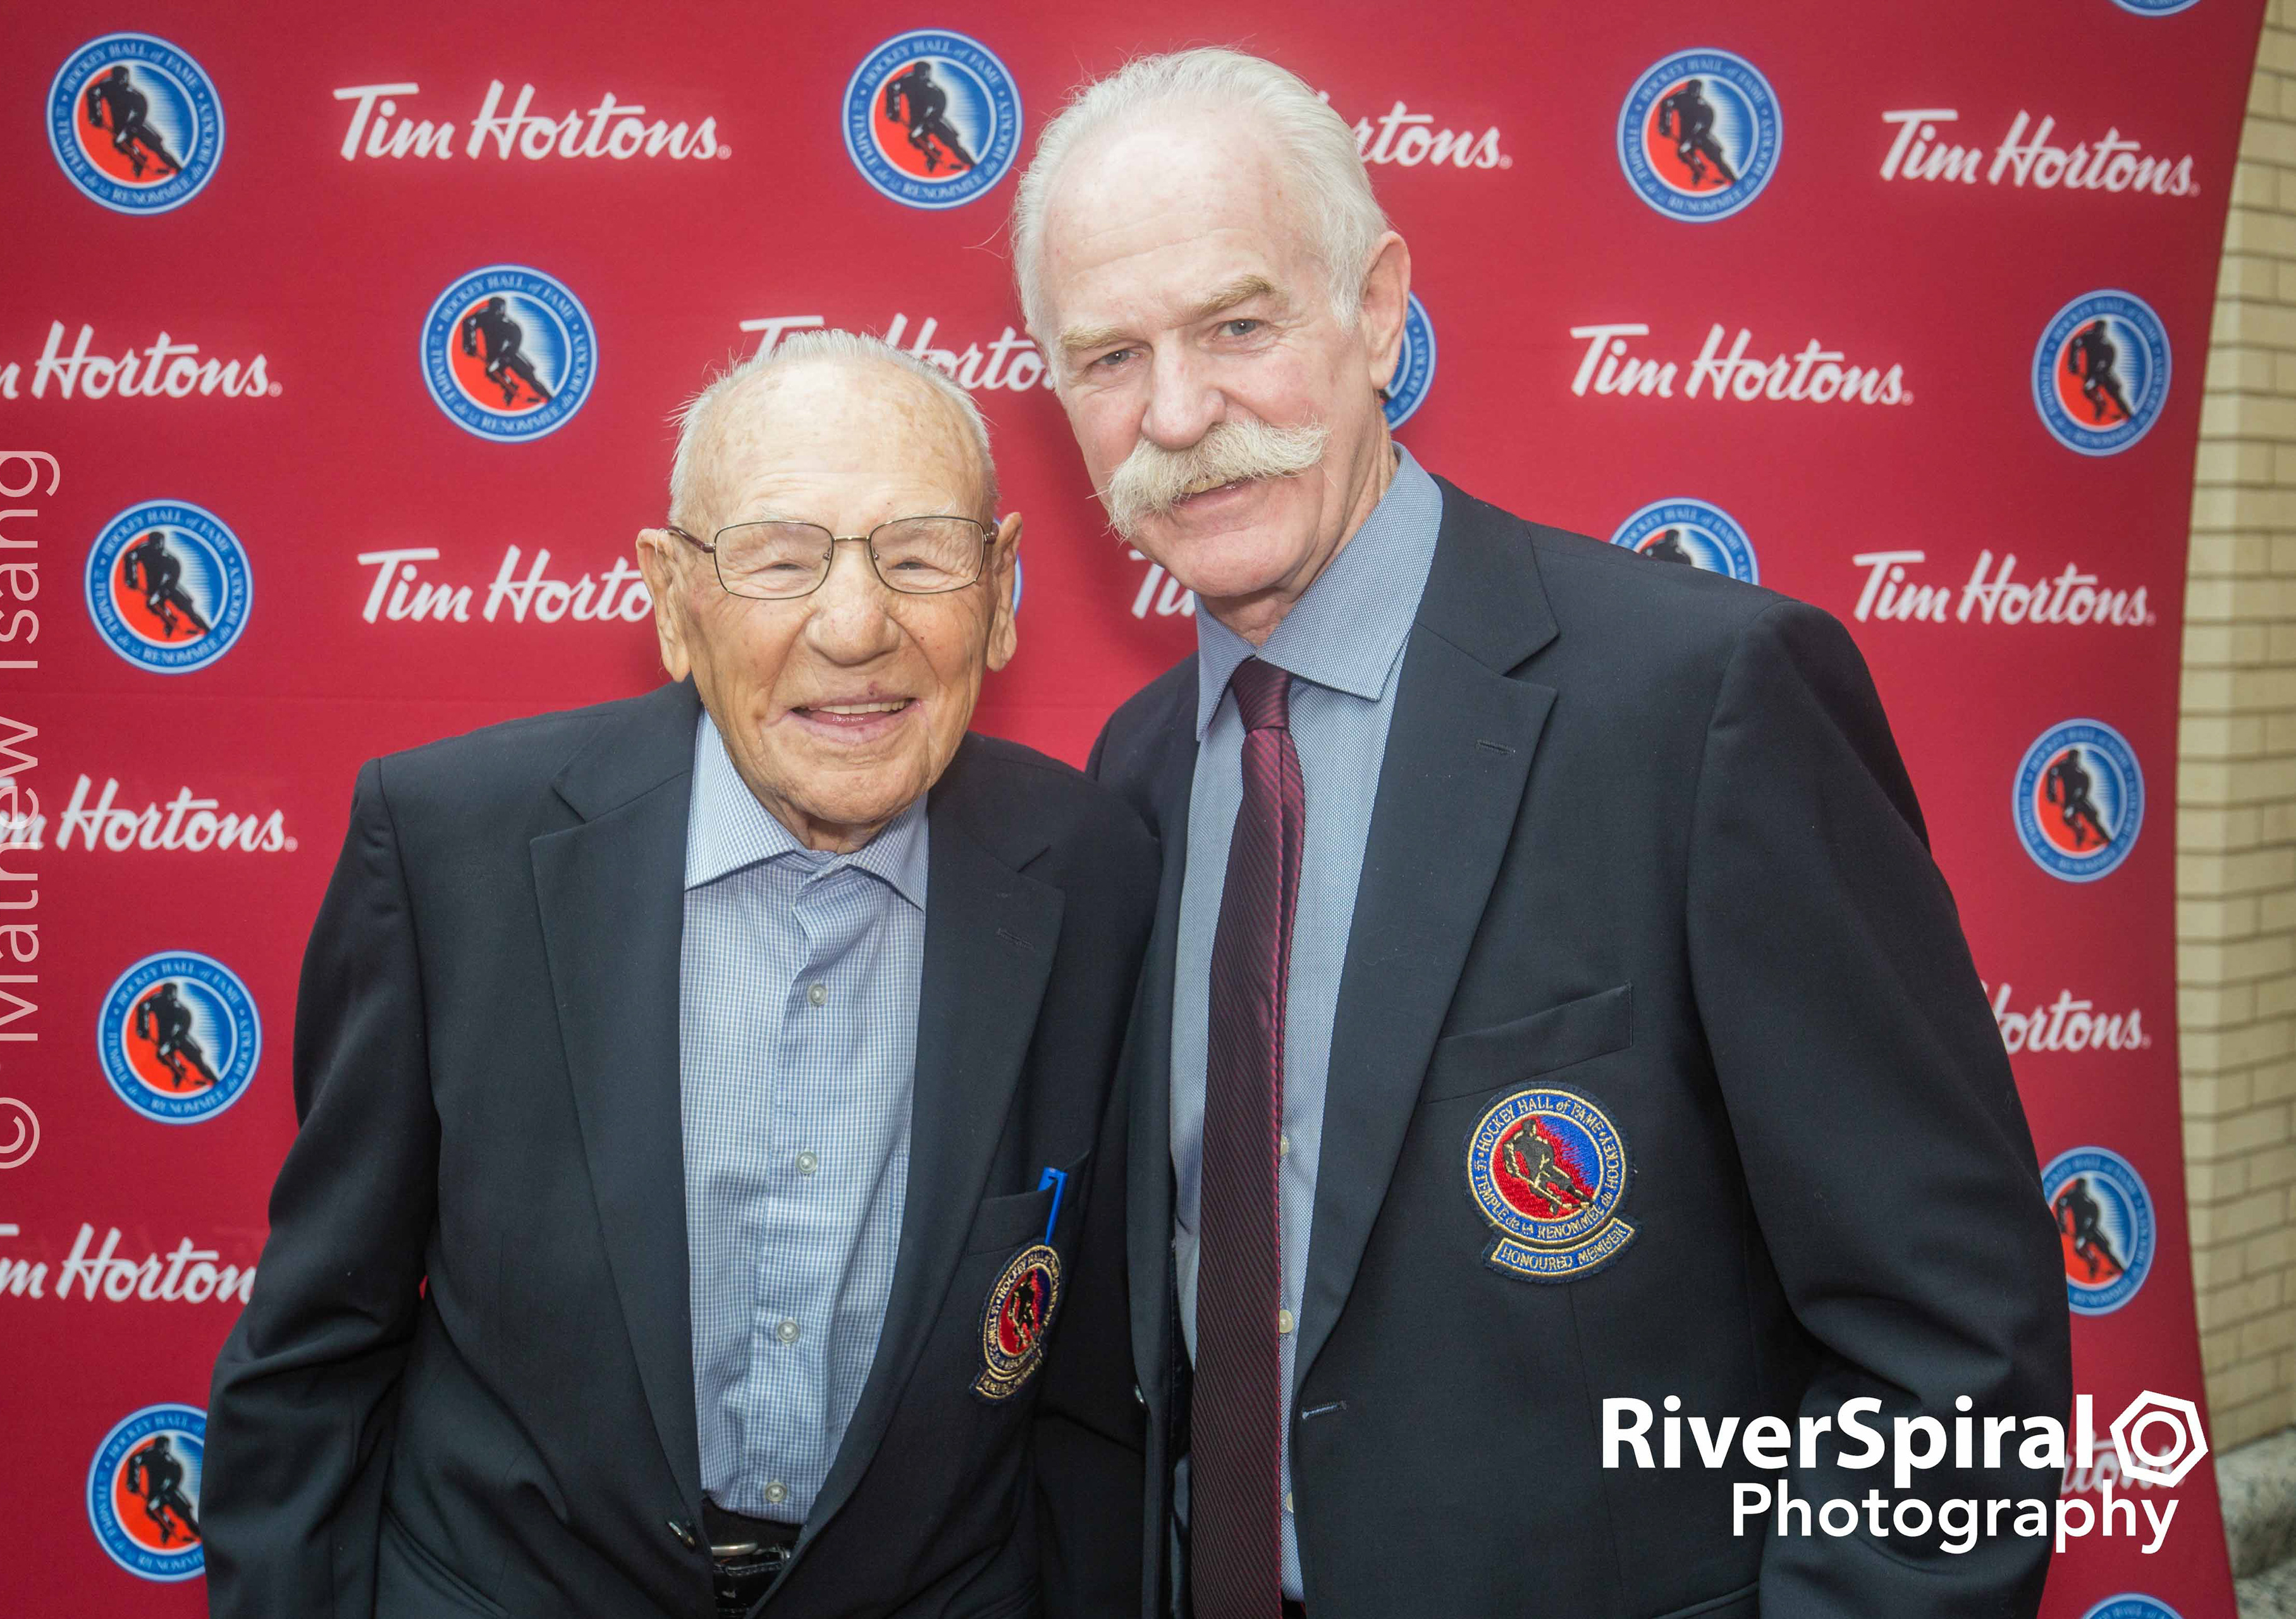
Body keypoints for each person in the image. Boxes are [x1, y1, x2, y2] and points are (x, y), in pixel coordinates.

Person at [1009, 49, 2070, 1619]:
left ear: (1375, 310)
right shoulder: (1138, 772)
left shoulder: (1703, 702)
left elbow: (1954, 1342)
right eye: (1109, 357)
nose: (1180, 411)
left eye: (1239, 325)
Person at [204, 331, 1157, 1619]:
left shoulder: (1098, 871)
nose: (857, 624)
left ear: (999, 592)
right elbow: (317, 1346)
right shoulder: (447, 847)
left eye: (920, 553)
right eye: (779, 558)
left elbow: (1096, 1396)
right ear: (671, 598)